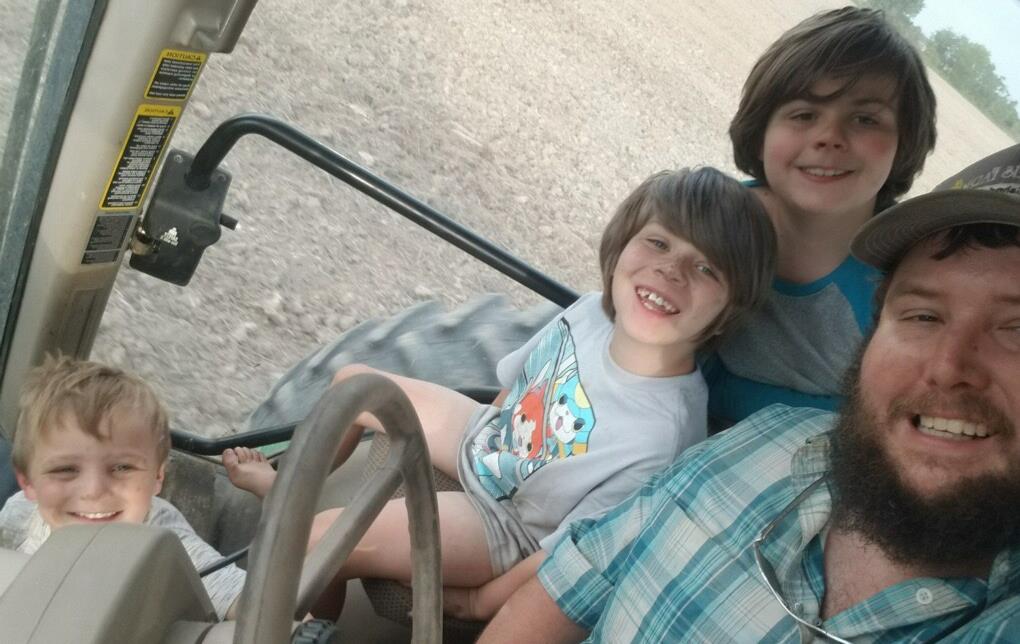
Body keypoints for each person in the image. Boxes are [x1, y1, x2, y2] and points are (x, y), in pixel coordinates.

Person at [480, 144, 1020, 642]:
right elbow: (564, 592)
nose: (949, 367)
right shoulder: (765, 439)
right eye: (922, 315)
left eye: (1016, 329)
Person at [226, 166, 777, 616]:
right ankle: (289, 488)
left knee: (318, 537)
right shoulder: (589, 314)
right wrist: (474, 436)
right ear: (622, 244)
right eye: (657, 242)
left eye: (705, 268)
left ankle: (309, 626)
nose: (670, 271)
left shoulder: (661, 435)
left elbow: (571, 555)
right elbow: (515, 391)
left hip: (509, 525)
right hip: (487, 440)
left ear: (731, 307)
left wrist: (479, 601)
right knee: (354, 385)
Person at [702, 6, 938, 426]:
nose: (829, 137)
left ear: (904, 144)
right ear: (762, 129)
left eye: (865, 119)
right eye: (803, 114)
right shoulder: (702, 223)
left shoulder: (912, 284)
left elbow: (889, 431)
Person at [0, 356, 246, 621]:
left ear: (157, 477)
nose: (93, 491)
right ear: (28, 483)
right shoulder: (19, 515)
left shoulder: (166, 546)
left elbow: (255, 608)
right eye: (65, 470)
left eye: (122, 468)